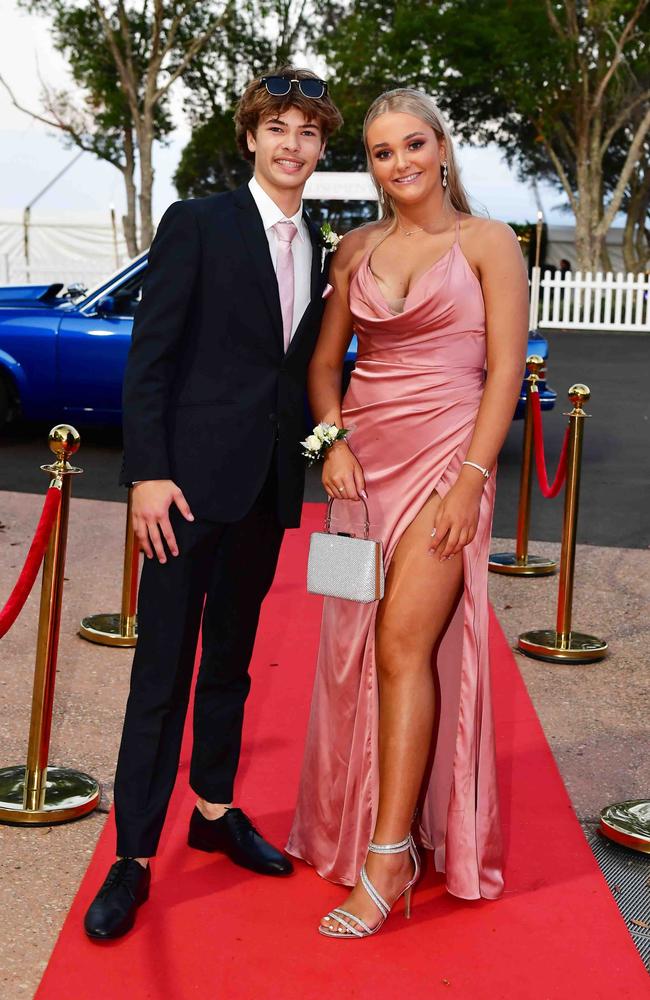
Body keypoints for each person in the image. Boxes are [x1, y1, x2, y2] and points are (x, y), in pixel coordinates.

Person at [84, 67, 342, 940]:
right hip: (184, 491)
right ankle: (133, 858)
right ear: (251, 138)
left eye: (308, 132)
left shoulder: (325, 246)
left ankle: (215, 810)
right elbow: (150, 357)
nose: (292, 145)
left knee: (231, 662)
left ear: (320, 148)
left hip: (268, 489)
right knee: (160, 673)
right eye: (278, 128)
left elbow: (305, 371)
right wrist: (147, 472)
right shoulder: (197, 223)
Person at [286, 88, 528, 938]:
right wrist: (331, 449)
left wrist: (471, 479)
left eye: (413, 144)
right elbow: (322, 369)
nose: (401, 163)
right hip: (364, 468)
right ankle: (394, 831)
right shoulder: (355, 250)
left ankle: (388, 857)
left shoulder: (490, 243)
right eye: (384, 152)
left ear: (442, 147)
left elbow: (504, 372)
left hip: (447, 461)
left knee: (401, 644)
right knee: (361, 649)